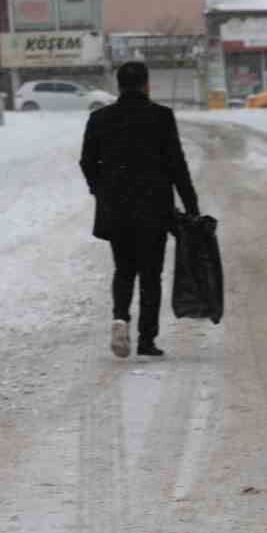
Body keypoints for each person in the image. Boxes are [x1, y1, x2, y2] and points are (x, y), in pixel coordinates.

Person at [79, 60, 200, 359]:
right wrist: (191, 206)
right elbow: (176, 166)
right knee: (150, 274)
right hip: (153, 209)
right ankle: (147, 338)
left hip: (116, 210)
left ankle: (120, 318)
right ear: (146, 85)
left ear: (118, 85)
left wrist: (101, 191)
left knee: (123, 269)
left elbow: (86, 162)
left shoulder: (100, 118)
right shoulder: (161, 117)